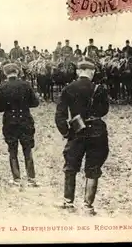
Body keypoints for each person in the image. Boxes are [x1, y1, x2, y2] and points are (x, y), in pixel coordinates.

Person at [54, 58, 110, 215]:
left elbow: (60, 115)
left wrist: (66, 132)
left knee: (70, 166)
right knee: (93, 168)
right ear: (92, 73)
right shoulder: (99, 89)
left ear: (78, 72)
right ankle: (88, 206)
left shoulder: (68, 88)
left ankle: (68, 202)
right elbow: (104, 110)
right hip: (97, 132)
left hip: (77, 132)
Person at [0, 63, 40, 187]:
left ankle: (16, 179)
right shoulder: (26, 85)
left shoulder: (2, 87)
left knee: (12, 150)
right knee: (27, 149)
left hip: (10, 122)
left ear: (6, 73)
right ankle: (31, 178)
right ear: (17, 72)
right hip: (25, 121)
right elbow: (35, 103)